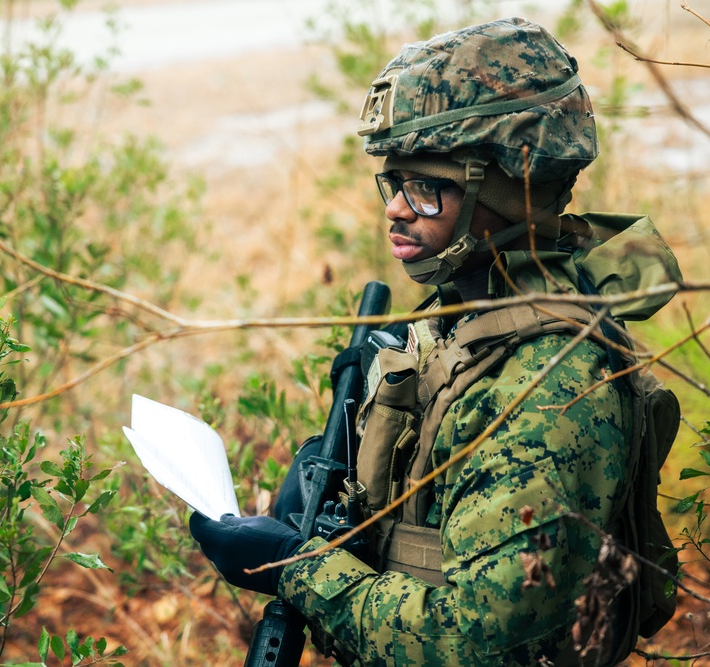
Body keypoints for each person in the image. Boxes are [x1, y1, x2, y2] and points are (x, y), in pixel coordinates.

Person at [190, 17, 680, 666]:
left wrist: (296, 569)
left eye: (426, 187)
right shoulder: (457, 317)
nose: (396, 208)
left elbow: (475, 642)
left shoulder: (555, 387)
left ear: (506, 190)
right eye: (394, 183)